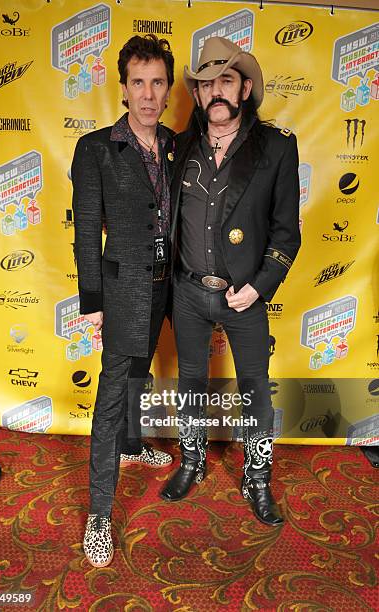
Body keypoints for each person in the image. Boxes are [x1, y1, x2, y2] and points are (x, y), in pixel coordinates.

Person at [160, 37, 301, 526]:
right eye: (206, 84)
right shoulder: (177, 147)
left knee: (255, 388)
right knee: (192, 383)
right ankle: (193, 461)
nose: (216, 92)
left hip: (247, 295)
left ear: (244, 89)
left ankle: (257, 477)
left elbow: (287, 233)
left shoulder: (277, 148)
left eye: (226, 81)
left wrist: (260, 285)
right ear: (197, 95)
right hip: (189, 292)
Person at [71, 34, 175, 567]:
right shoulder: (95, 148)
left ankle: (134, 446)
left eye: (158, 82)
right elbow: (88, 226)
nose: (149, 94)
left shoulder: (178, 144)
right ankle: (98, 514)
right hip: (122, 286)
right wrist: (94, 298)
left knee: (141, 372)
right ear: (124, 88)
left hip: (167, 286)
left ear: (168, 87)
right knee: (111, 395)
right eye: (139, 82)